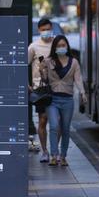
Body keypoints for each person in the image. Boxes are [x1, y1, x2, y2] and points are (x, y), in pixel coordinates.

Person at [39, 35, 87, 167]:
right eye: (59, 46)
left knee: (65, 129)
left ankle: (63, 156)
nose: (61, 48)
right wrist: (42, 70)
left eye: (63, 45)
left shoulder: (74, 62)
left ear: (67, 46)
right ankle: (54, 155)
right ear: (54, 48)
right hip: (52, 99)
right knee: (54, 126)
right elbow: (44, 79)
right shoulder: (49, 61)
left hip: (67, 100)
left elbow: (78, 78)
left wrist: (82, 93)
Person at [28, 18, 54, 161]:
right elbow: (22, 64)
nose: (46, 32)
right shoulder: (33, 47)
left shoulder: (57, 44)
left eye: (48, 29)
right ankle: (45, 151)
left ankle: (57, 151)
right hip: (40, 89)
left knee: (57, 122)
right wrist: (27, 84)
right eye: (43, 29)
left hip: (56, 88)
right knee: (43, 120)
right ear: (39, 30)